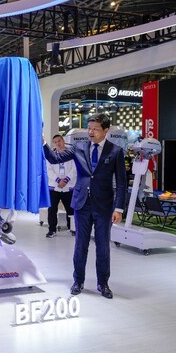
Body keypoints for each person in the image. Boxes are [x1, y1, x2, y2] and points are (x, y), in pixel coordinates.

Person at [44, 113, 126, 299]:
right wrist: (43, 143)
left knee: (103, 247)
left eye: (95, 129)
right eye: (89, 128)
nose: (91, 132)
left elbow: (121, 183)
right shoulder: (78, 148)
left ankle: (103, 283)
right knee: (80, 245)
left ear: (106, 130)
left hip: (104, 206)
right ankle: (78, 281)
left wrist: (119, 208)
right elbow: (54, 158)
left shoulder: (116, 151)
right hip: (82, 204)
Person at [45, 134, 76, 238]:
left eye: (59, 141)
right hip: (54, 186)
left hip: (69, 186)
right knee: (52, 210)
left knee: (71, 209)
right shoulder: (50, 155)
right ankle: (52, 230)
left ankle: (72, 228)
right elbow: (48, 170)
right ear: (53, 144)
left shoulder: (71, 153)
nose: (58, 143)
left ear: (63, 141)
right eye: (55, 142)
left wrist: (66, 180)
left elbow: (75, 169)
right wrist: (58, 180)